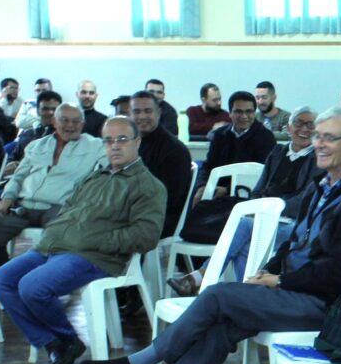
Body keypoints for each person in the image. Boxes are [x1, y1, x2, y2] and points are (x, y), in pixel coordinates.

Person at [80, 106, 341, 364]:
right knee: (220, 327)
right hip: (291, 291)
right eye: (317, 136)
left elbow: (337, 275)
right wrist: (267, 272)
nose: (318, 144)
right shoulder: (323, 185)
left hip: (319, 305)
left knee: (217, 296)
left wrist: (280, 279)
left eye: (328, 138)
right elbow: (292, 244)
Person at [0, 117, 165, 364]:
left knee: (32, 287)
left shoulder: (148, 186)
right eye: (108, 140)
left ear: (137, 142)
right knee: (0, 281)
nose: (114, 146)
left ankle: (66, 340)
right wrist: (55, 235)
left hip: (93, 256)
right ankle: (56, 345)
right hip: (55, 247)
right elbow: (68, 208)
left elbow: (146, 235)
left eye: (121, 139)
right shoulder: (96, 176)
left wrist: (98, 241)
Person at [167, 106, 319, 293]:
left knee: (244, 225)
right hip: (261, 219)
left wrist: (269, 209)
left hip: (292, 224)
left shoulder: (317, 159)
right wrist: (258, 208)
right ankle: (245, 294)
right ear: (289, 127)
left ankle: (202, 276)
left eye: (310, 124)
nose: (304, 129)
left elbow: (306, 199)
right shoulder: (278, 152)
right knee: (245, 241)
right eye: (298, 123)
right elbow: (258, 189)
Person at [0, 104, 105, 268]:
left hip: (59, 207)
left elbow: (114, 168)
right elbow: (19, 175)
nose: (70, 125)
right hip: (23, 206)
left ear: (82, 124)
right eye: (64, 120)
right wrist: (8, 196)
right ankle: (4, 275)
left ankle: (44, 281)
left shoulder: (95, 146)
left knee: (60, 239)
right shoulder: (36, 145)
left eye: (76, 121)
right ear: (54, 122)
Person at [128, 91, 193, 239]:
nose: (142, 117)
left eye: (148, 111)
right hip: (135, 211)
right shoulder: (130, 144)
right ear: (129, 114)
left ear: (158, 113)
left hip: (160, 219)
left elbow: (169, 199)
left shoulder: (175, 150)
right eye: (136, 112)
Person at [191, 90, 276, 202]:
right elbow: (208, 166)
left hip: (247, 195)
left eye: (249, 111)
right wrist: (202, 186)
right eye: (238, 112)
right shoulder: (220, 135)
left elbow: (261, 175)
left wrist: (227, 190)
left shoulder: (265, 137)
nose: (244, 116)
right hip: (215, 192)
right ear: (229, 113)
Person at [3, 90, 61, 172]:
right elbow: (12, 157)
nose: (50, 112)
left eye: (54, 109)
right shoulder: (28, 134)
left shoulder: (64, 138)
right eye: (45, 109)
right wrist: (10, 165)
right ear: (38, 111)